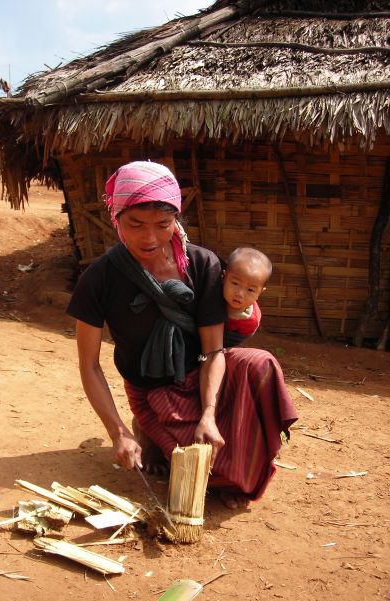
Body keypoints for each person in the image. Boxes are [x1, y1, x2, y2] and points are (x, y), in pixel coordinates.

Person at [67, 160, 297, 509]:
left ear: (176, 218)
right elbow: (90, 366)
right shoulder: (98, 279)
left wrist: (208, 412)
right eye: (135, 224)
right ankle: (145, 426)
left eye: (163, 224)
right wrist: (119, 433)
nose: (150, 238)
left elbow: (213, 351)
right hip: (154, 389)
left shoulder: (203, 265)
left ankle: (201, 437)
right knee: (202, 470)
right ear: (117, 219)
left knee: (259, 364)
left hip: (203, 375)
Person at [223, 247, 272, 345]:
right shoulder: (210, 292)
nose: (240, 294)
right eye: (235, 283)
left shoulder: (250, 321)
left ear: (260, 293)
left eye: (250, 290)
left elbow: (233, 343)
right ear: (223, 277)